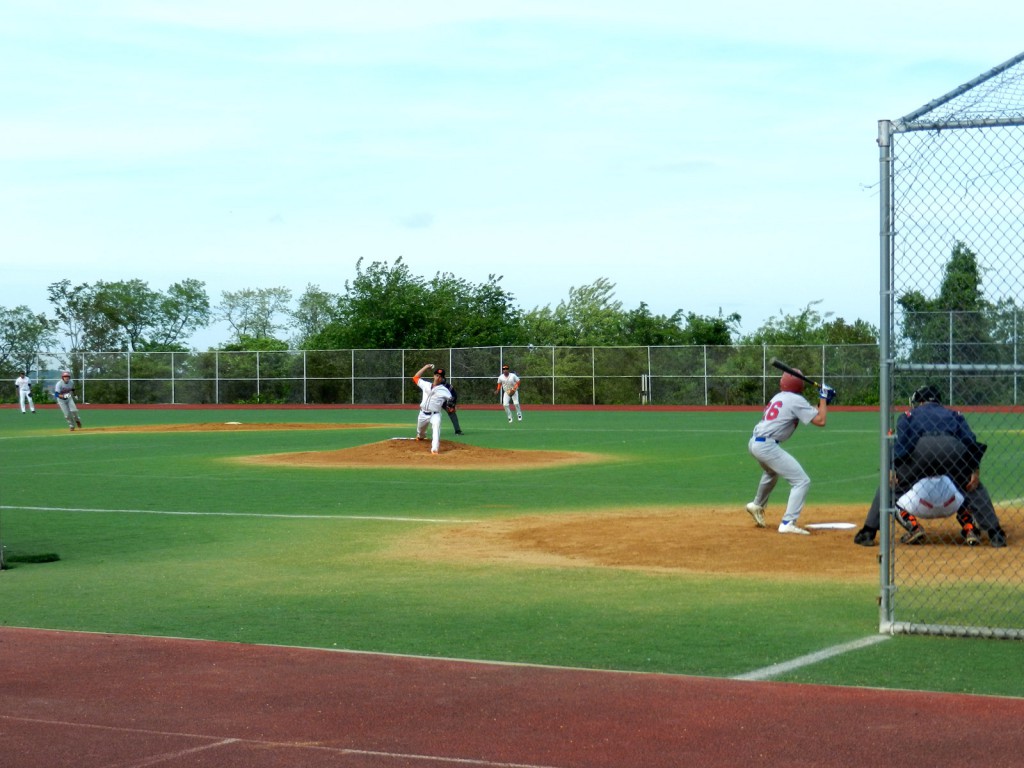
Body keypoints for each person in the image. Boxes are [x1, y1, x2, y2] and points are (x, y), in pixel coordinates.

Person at [853, 385, 1006, 547]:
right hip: (952, 449)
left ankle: (868, 532)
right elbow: (970, 440)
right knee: (972, 487)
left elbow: (902, 443)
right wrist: (974, 468)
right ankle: (995, 534)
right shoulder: (954, 414)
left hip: (922, 450)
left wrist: (893, 466)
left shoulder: (909, 415)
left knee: (890, 487)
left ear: (920, 401)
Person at [744, 369, 835, 535]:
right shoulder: (796, 400)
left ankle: (757, 505)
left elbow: (811, 412)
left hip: (755, 442)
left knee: (771, 472)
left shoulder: (779, 397)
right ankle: (788, 522)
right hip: (767, 446)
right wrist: (823, 397)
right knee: (801, 481)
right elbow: (820, 420)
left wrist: (823, 401)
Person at [412, 364, 453, 454]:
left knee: (436, 427)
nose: (438, 378)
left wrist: (451, 406)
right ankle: (420, 436)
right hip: (423, 414)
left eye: (440, 376)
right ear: (434, 376)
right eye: (437, 375)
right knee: (420, 433)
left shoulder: (444, 390)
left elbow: (451, 399)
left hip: (435, 414)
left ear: (442, 379)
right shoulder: (426, 385)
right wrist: (426, 367)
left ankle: (434, 449)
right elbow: (415, 377)